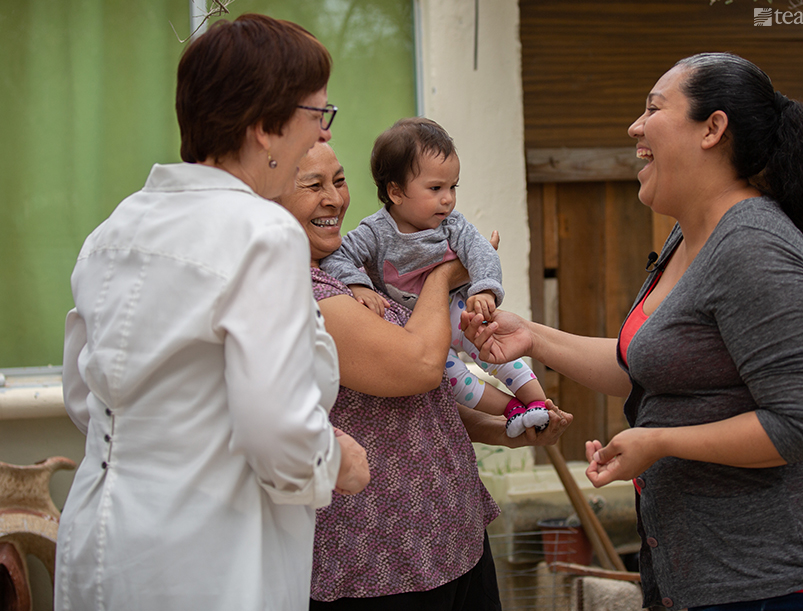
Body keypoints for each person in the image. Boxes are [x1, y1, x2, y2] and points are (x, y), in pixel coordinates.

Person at [462, 52, 803, 611]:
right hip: (701, 576)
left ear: (713, 128)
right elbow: (646, 366)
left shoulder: (754, 248)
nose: (635, 125)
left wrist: (659, 442)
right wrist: (531, 336)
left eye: (654, 108)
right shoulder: (688, 236)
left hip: (770, 581)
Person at [56, 15, 369, 611]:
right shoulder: (263, 234)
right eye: (317, 116)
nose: (320, 138)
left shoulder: (114, 230)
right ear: (264, 128)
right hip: (210, 562)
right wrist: (334, 462)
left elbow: (84, 397)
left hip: (99, 546)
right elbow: (276, 432)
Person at [276, 142, 573, 610]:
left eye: (338, 180)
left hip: (453, 538)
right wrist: (441, 276)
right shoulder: (301, 289)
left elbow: (418, 404)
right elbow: (419, 368)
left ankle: (526, 403)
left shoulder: (357, 274)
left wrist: (503, 432)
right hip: (379, 560)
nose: (334, 198)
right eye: (313, 185)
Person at [320, 117, 549, 438]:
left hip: (458, 308)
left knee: (494, 346)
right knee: (451, 378)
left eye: (453, 187)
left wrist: (485, 288)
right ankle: (510, 410)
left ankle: (538, 404)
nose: (448, 199)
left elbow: (481, 251)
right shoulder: (375, 232)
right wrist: (358, 285)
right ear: (396, 192)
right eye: (435, 188)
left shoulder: (452, 225)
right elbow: (338, 256)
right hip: (419, 328)